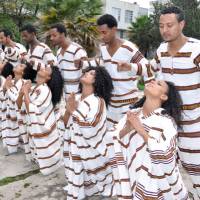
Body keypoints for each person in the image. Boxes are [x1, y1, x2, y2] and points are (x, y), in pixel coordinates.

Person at [151, 6, 200, 199]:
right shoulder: (161, 50)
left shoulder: (196, 49)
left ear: (182, 24)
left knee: (195, 167)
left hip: (193, 121)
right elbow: (150, 68)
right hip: (167, 121)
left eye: (170, 25)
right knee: (167, 167)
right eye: (161, 26)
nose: (165, 30)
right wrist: (129, 66)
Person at [110, 80, 189, 199]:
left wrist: (140, 130)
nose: (152, 81)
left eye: (159, 84)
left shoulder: (166, 122)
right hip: (134, 178)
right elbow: (112, 139)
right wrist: (127, 128)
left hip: (157, 186)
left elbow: (166, 156)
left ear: (164, 96)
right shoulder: (132, 114)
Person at [83, 14, 154, 128]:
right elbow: (103, 63)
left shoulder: (128, 48)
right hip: (110, 104)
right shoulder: (103, 48)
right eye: (99, 33)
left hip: (128, 104)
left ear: (114, 29)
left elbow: (148, 67)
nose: (101, 36)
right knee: (111, 139)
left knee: (127, 139)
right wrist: (84, 63)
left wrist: (130, 67)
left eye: (104, 32)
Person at [62, 66, 115, 199]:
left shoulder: (98, 102)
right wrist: (69, 110)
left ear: (97, 81)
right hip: (74, 146)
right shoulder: (76, 97)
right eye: (86, 71)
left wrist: (73, 111)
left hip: (91, 151)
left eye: (91, 73)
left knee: (93, 181)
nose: (86, 73)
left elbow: (92, 128)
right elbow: (65, 123)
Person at [17, 66, 63, 175]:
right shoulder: (33, 88)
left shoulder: (45, 91)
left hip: (43, 128)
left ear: (48, 77)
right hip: (33, 129)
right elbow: (19, 105)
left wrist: (26, 92)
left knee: (46, 156)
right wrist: (22, 92)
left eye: (45, 70)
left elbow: (31, 109)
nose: (42, 68)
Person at [49, 23, 88, 97]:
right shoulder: (58, 52)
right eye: (50, 36)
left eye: (54, 35)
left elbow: (87, 71)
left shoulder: (77, 49)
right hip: (65, 95)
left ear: (62, 34)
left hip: (78, 95)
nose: (51, 38)